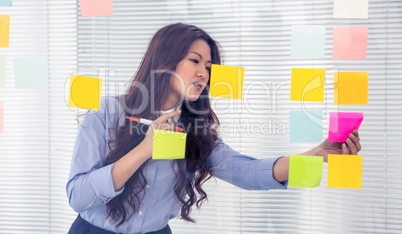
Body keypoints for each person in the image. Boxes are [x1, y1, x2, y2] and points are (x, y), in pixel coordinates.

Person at [66, 23, 361, 234]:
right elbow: (78, 197)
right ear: (164, 61)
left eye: (208, 66)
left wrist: (317, 154)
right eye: (195, 60)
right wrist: (145, 150)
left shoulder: (196, 131)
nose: (203, 73)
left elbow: (249, 172)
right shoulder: (107, 113)